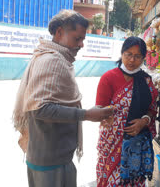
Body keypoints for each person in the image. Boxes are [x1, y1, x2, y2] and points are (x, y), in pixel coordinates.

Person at [13, 10, 114, 187]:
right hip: (50, 161)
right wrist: (87, 114)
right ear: (59, 33)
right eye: (77, 38)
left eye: (83, 39)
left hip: (50, 157)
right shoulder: (52, 61)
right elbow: (40, 109)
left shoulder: (51, 57)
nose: (81, 44)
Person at [96, 37, 158, 187]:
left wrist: (144, 121)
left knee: (134, 181)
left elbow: (152, 110)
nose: (132, 60)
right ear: (121, 53)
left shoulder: (147, 81)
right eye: (128, 54)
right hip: (112, 143)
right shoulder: (108, 78)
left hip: (137, 143)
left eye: (137, 56)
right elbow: (99, 111)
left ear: (144, 58)